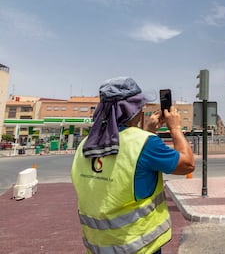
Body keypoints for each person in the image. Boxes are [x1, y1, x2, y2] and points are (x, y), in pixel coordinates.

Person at [71, 76, 195, 254]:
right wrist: (174, 128)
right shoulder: (145, 144)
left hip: (97, 248)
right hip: (137, 247)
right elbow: (187, 164)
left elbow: (126, 158)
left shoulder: (84, 145)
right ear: (133, 110)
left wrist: (148, 130)